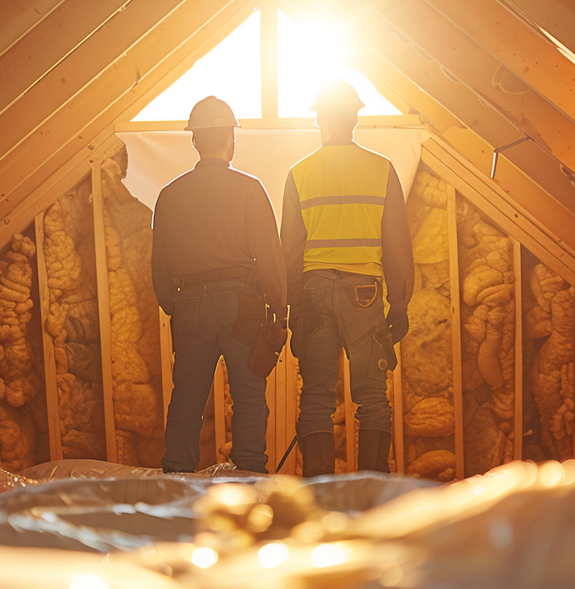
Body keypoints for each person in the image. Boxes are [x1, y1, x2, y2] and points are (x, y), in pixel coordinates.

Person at [281, 80, 413, 476]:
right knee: (372, 398)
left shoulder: (299, 173)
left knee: (316, 399)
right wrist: (400, 303)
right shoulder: (381, 169)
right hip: (365, 295)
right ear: (355, 118)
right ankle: (372, 494)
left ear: (319, 117)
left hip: (315, 293)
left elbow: (290, 249)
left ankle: (318, 494)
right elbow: (397, 243)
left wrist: (291, 306)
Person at [151, 96, 285, 473]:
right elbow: (269, 256)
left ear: (195, 140)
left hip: (190, 302)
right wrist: (278, 306)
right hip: (241, 302)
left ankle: (176, 476)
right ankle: (249, 477)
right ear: (230, 138)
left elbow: (160, 268)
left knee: (188, 399)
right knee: (247, 395)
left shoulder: (169, 195)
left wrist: (174, 304)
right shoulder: (249, 189)